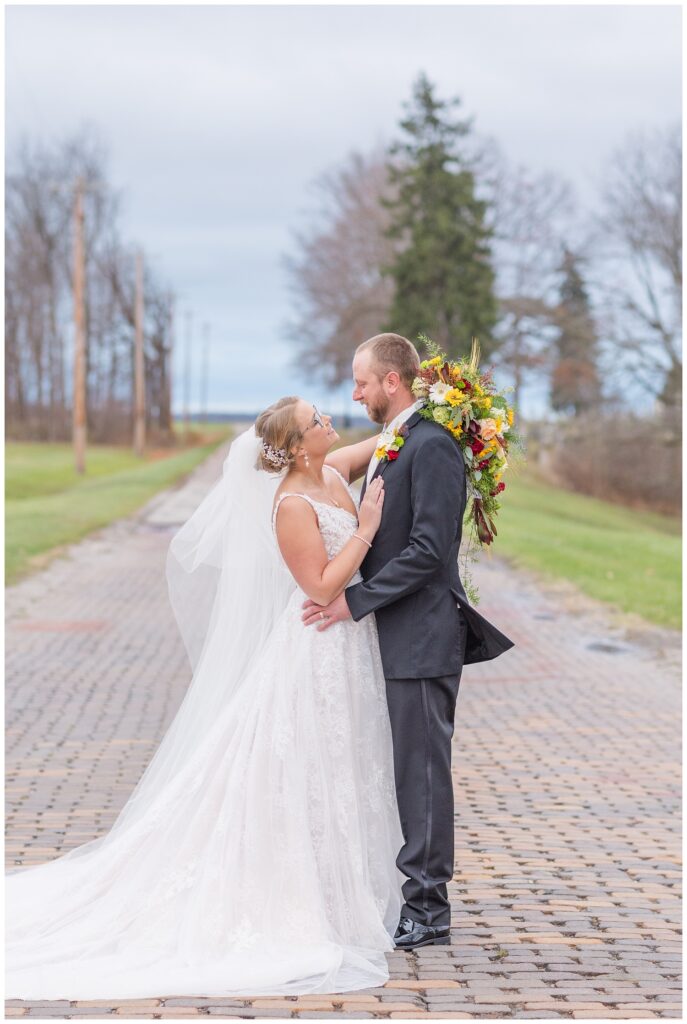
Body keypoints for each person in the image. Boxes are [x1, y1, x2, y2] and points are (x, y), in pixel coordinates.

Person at [5, 399, 405, 999]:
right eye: (316, 421)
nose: (328, 422)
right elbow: (321, 586)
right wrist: (368, 530)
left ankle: (340, 886)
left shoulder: (330, 472)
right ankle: (300, 895)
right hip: (315, 648)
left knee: (344, 766)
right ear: (297, 447)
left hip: (349, 650)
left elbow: (383, 441)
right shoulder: (292, 505)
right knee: (305, 769)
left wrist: (438, 407)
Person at [302, 333, 514, 950]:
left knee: (421, 776)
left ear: (391, 382)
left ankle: (428, 910)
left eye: (361, 381)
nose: (355, 391)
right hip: (398, 636)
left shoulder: (432, 445)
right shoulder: (400, 439)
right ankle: (414, 899)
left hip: (423, 636)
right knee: (405, 773)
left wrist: (352, 601)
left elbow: (428, 550)